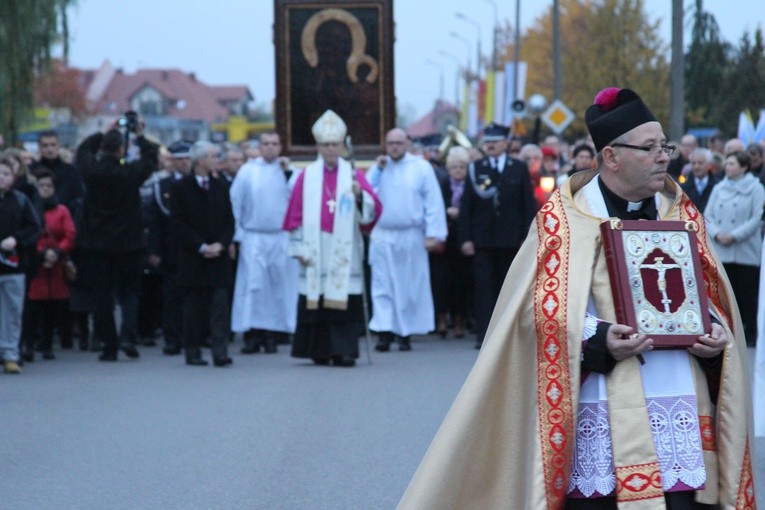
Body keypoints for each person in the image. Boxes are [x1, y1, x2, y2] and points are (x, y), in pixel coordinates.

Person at [398, 88, 755, 509]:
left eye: (665, 147)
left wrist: (714, 338)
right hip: (602, 401)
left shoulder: (682, 214)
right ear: (611, 155)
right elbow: (534, 311)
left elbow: (711, 301)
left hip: (679, 398)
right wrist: (597, 339)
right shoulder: (563, 219)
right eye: (650, 148)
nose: (664, 157)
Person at [283, 110, 382, 367]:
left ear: (342, 146)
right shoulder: (306, 176)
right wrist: (297, 248)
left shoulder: (353, 175)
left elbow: (372, 212)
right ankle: (319, 351)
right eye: (325, 145)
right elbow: (295, 214)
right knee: (316, 301)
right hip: (315, 246)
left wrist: (361, 196)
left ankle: (344, 351)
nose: (330, 149)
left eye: (334, 144)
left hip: (344, 248)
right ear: (318, 146)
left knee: (343, 301)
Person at [75, 120, 159, 362]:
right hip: (129, 242)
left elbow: (82, 150)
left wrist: (103, 133)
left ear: (103, 149)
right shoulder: (129, 173)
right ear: (122, 150)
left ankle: (108, 345)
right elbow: (152, 157)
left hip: (97, 243)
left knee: (102, 295)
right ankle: (127, 336)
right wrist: (139, 136)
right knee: (131, 292)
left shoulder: (91, 171)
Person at [365, 128, 447, 352]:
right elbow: (366, 194)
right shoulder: (379, 167)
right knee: (382, 285)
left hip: (411, 234)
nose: (394, 147)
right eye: (390, 143)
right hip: (383, 233)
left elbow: (433, 202)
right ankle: (383, 331)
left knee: (409, 285)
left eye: (399, 143)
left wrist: (434, 234)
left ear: (408, 144)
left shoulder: (421, 167)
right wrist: (378, 171)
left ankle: (405, 332)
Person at [459, 123, 537, 349]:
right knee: (483, 289)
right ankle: (484, 335)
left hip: (510, 239)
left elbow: (527, 205)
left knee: (509, 287)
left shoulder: (518, 168)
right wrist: (465, 238)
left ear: (506, 143)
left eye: (495, 141)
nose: (490, 145)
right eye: (487, 141)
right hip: (482, 239)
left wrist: (527, 236)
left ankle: (508, 336)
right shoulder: (476, 167)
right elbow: (467, 206)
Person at [229, 131, 299, 354]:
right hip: (254, 236)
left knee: (278, 286)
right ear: (259, 147)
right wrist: (237, 234)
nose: (270, 148)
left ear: (280, 147)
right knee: (253, 286)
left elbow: (296, 200)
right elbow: (235, 202)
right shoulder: (248, 171)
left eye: (274, 144)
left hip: (280, 236)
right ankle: (252, 334)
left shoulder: (288, 172)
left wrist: (287, 173)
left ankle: (274, 334)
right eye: (266, 144)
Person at [171, 141, 235, 367]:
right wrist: (201, 246)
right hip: (193, 257)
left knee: (220, 305)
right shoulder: (181, 188)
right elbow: (179, 224)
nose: (215, 160)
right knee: (193, 307)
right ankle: (193, 350)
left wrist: (221, 244)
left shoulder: (221, 186)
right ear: (199, 160)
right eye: (211, 156)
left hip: (218, 256)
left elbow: (229, 221)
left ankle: (220, 351)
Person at [704, 150, 764, 346]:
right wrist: (716, 233)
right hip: (722, 249)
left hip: (745, 251)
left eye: (732, 164)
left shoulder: (756, 188)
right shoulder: (719, 187)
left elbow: (757, 218)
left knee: (747, 295)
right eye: (727, 163)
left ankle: (750, 332)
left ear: (743, 167)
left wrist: (734, 235)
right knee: (726, 295)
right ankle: (727, 328)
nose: (727, 167)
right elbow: (707, 214)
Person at [146, 141, 192, 356]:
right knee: (172, 297)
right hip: (171, 249)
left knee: (193, 296)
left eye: (187, 158)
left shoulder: (199, 184)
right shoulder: (162, 186)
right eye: (179, 159)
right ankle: (172, 338)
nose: (184, 163)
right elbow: (155, 221)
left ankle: (194, 336)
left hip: (194, 249)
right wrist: (154, 250)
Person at [24, 171, 76, 360]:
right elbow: (28, 232)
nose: (45, 189)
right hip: (36, 264)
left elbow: (70, 234)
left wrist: (58, 252)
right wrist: (41, 253)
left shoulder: (62, 210)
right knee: (31, 308)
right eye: (42, 185)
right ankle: (29, 344)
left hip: (56, 265)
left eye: (49, 186)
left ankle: (47, 345)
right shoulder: (30, 208)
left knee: (52, 307)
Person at [0, 158, 41, 374]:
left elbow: (34, 227)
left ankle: (10, 353)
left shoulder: (21, 200)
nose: (1, 178)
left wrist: (17, 240)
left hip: (14, 265)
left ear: (13, 176)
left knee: (13, 311)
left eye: (5, 173)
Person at [30, 130, 83, 217]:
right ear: (39, 147)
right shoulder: (32, 171)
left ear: (58, 146)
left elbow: (77, 198)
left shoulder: (71, 171)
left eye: (53, 145)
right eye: (45, 145)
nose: (49, 149)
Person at [681, 148, 718, 213]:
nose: (696, 167)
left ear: (709, 165)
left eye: (700, 163)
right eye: (693, 163)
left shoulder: (717, 186)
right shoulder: (683, 188)